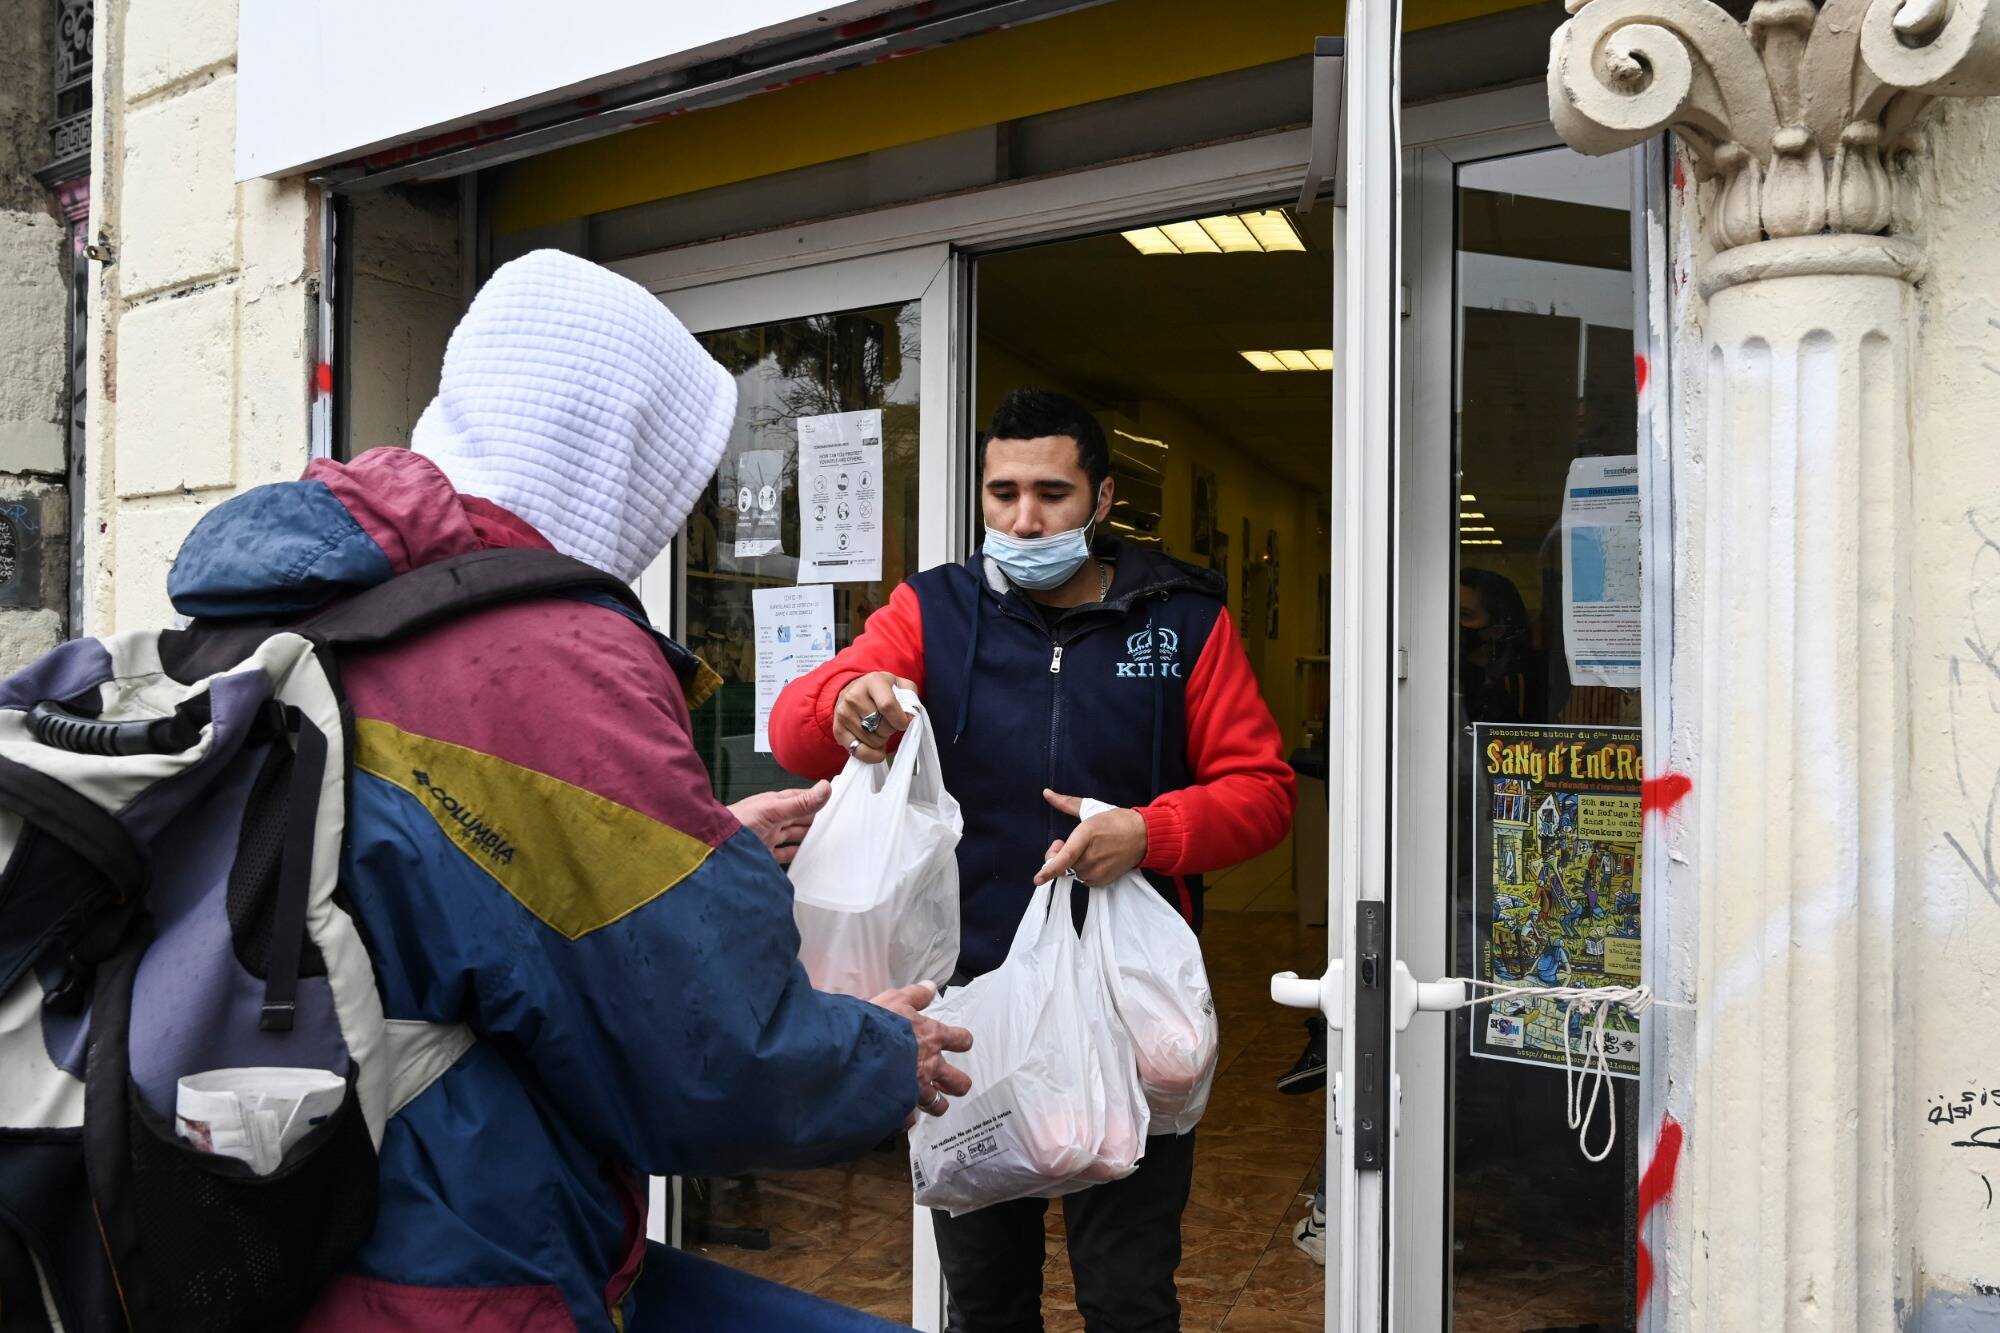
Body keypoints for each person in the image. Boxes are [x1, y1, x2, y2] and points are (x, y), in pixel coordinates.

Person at [163, 250, 972, 1332]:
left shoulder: (297, 602)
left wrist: (702, 843)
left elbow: (413, 875)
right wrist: (882, 1055)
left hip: (256, 1222)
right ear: (615, 447)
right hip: (457, 1262)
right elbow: (711, 1054)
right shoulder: (540, 652)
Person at [771, 388, 1297, 1333]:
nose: (1023, 518)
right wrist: (849, 698)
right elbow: (798, 731)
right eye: (1001, 492)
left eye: (1052, 493)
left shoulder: (1180, 622)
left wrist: (1150, 832)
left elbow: (1262, 790)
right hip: (970, 1012)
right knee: (986, 1298)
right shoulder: (934, 608)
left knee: (1130, 1295)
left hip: (1127, 1007)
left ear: (1100, 500)